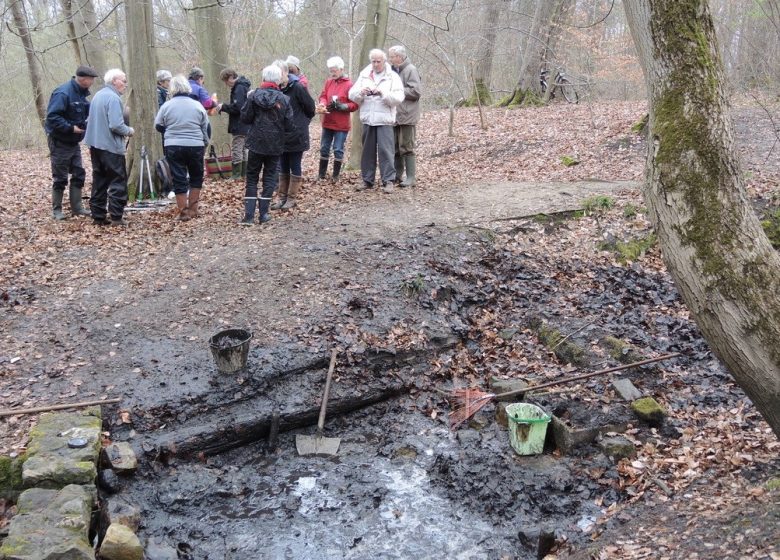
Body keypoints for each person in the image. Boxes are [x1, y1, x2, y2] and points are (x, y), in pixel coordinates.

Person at [239, 65, 294, 225]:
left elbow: (245, 118)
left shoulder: (253, 96)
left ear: (263, 79)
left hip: (256, 143)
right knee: (269, 177)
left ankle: (248, 216)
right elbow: (289, 124)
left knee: (252, 177)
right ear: (278, 80)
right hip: (275, 145)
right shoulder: (284, 99)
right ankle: (263, 214)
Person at [43, 65, 99, 220]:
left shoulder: (81, 94)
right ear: (84, 79)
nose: (93, 82)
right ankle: (57, 211)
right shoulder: (63, 93)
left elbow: (87, 111)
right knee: (60, 177)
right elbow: (52, 117)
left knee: (79, 173)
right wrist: (70, 128)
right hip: (60, 141)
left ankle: (77, 208)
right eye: (91, 79)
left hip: (74, 143)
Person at [155, 75, 210, 222]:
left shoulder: (166, 106)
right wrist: (205, 142)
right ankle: (193, 209)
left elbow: (158, 125)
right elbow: (205, 126)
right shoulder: (197, 105)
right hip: (195, 145)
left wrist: (171, 132)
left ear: (172, 89)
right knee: (196, 177)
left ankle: (183, 212)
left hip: (173, 146)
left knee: (179, 178)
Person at [348, 48, 404, 193]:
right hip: (368, 118)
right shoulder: (364, 75)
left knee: (386, 151)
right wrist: (361, 93)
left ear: (384, 61)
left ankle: (388, 180)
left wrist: (383, 93)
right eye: (373, 61)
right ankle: (367, 180)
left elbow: (399, 98)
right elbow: (351, 94)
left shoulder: (393, 76)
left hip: (385, 119)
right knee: (367, 151)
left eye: (378, 61)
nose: (376, 64)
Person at [84, 68, 134, 226]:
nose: (125, 85)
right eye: (123, 81)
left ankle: (98, 216)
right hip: (111, 147)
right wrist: (129, 131)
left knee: (99, 181)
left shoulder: (98, 96)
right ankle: (117, 217)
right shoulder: (113, 98)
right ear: (114, 81)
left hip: (95, 146)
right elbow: (116, 125)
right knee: (117, 181)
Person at [271, 60, 315, 211]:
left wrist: (300, 124)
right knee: (282, 166)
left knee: (294, 165)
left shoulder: (297, 87)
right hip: (281, 134)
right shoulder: (275, 90)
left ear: (285, 72)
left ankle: (292, 198)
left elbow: (310, 108)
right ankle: (282, 197)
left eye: (279, 73)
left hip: (296, 134)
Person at [315, 56, 358, 182]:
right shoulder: (329, 82)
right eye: (331, 71)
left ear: (341, 69)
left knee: (338, 149)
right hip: (328, 120)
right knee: (324, 148)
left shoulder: (349, 84)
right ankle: (321, 174)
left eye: (334, 70)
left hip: (341, 123)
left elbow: (355, 104)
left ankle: (335, 176)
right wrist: (322, 103)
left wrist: (343, 106)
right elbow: (323, 96)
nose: (332, 73)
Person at [389, 45, 422, 188]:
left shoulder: (411, 70)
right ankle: (397, 175)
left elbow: (416, 91)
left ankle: (411, 177)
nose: (390, 59)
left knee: (407, 147)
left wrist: (398, 89)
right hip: (395, 114)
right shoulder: (391, 71)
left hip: (408, 115)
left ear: (399, 57)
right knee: (395, 147)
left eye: (392, 56)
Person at [217, 68, 251, 179]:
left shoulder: (239, 88)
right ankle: (243, 174)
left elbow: (238, 107)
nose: (226, 84)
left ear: (231, 77)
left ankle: (237, 175)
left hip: (240, 124)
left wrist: (223, 107)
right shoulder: (243, 86)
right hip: (245, 123)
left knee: (237, 148)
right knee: (243, 149)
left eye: (226, 81)